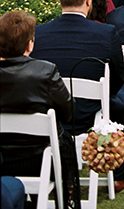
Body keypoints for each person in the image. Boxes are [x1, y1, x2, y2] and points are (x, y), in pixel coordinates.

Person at [31, 0, 124, 194]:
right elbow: (118, 77)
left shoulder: (38, 34)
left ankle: (59, 174)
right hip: (89, 114)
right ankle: (117, 176)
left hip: (51, 116)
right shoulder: (107, 33)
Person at [0, 10, 78, 209]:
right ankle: (67, 196)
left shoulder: (44, 71)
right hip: (40, 160)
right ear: (29, 44)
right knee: (64, 139)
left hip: (3, 158)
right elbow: (68, 113)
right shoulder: (45, 71)